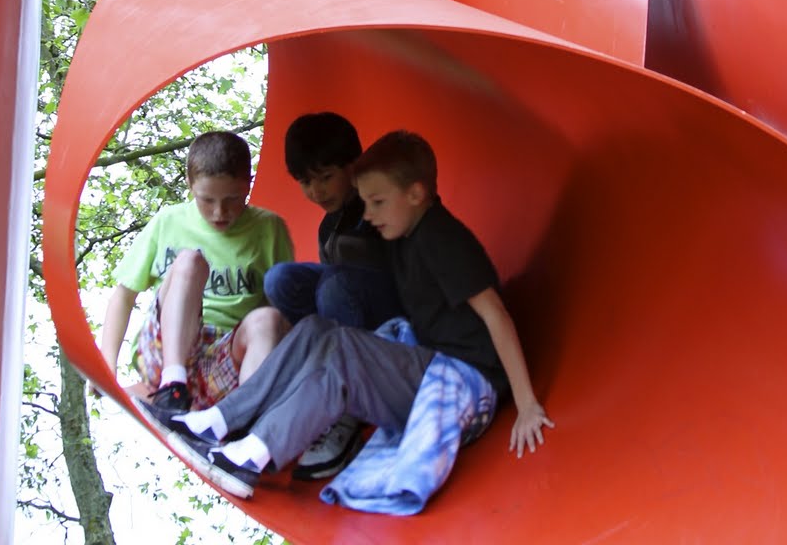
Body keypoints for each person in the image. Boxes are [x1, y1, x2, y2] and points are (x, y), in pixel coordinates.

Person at [165, 130, 553, 499]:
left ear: (416, 194)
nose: (368, 214)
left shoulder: (441, 238)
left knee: (343, 346)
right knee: (315, 328)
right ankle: (219, 420)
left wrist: (526, 404)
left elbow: (496, 314)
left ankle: (253, 454)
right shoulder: (405, 234)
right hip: (428, 366)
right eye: (365, 202)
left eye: (378, 202)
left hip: (466, 386)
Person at [98, 129, 293, 422]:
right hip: (166, 352)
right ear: (189, 185)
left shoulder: (269, 229)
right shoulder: (168, 222)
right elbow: (123, 297)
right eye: (207, 200)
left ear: (248, 185)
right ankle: (173, 385)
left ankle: (240, 417)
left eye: (232, 199)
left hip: (226, 362)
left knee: (269, 318)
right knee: (190, 261)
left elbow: (284, 310)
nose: (219, 212)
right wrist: (106, 364)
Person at [264, 110, 401, 331]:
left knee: (336, 284)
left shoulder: (381, 207)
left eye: (326, 178)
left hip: (390, 310)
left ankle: (347, 350)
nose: (316, 191)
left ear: (353, 166)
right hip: (341, 304)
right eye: (306, 182)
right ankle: (317, 339)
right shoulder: (328, 226)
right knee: (278, 278)